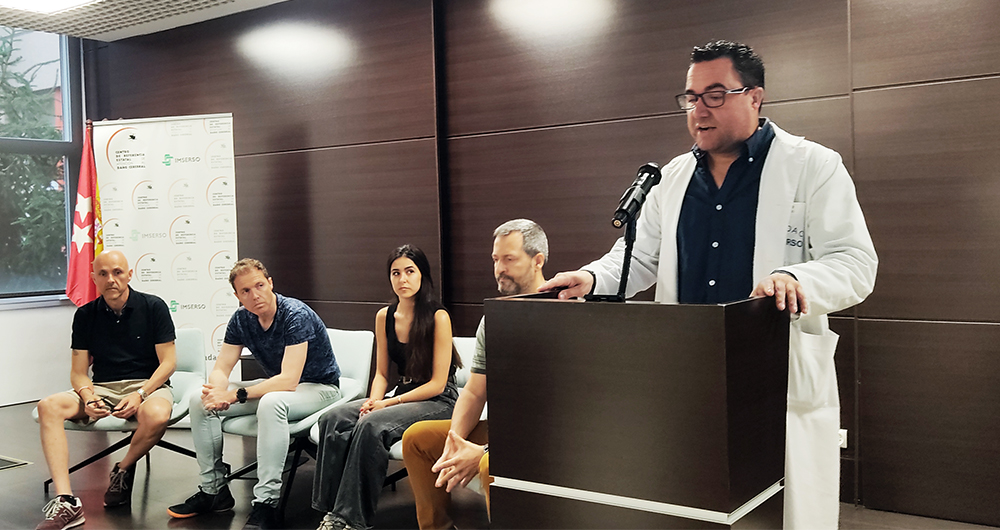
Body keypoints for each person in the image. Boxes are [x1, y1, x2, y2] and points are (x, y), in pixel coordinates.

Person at [540, 41, 878, 529]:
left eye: (715, 95)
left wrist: (795, 276)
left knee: (776, 513)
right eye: (691, 97)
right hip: (688, 378)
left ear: (755, 97)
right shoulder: (671, 179)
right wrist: (591, 278)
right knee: (692, 507)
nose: (698, 109)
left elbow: (854, 262)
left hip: (771, 377)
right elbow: (638, 258)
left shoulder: (813, 166)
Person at [168, 258, 342, 530]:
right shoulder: (242, 319)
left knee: (272, 402)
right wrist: (217, 391)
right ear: (237, 295)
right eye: (246, 291)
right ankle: (214, 490)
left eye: (259, 285)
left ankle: (266, 503)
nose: (255, 295)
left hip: (321, 388)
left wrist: (233, 395)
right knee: (199, 401)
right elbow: (222, 367)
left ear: (270, 283)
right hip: (280, 387)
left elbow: (289, 380)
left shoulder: (295, 314)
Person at [402, 219, 549, 529]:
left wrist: (485, 450)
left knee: (487, 464)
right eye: (495, 259)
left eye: (509, 259)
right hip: (501, 430)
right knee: (416, 439)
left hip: (545, 441)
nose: (499, 269)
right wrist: (455, 440)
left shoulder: (565, 314)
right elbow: (473, 391)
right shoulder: (492, 318)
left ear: (538, 261)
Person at [312, 245, 461, 530]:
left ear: (422, 275)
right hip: (401, 395)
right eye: (396, 273)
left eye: (410, 271)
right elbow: (381, 373)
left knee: (372, 425)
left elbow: (437, 384)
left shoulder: (438, 316)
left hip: (438, 399)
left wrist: (385, 405)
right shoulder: (384, 316)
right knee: (333, 418)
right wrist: (373, 401)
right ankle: (331, 512)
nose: (402, 279)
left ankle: (350, 520)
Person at [34, 250, 176, 530]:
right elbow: (78, 372)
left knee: (158, 415)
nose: (111, 279)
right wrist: (88, 397)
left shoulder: (153, 306)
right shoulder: (85, 315)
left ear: (129, 275)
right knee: (47, 406)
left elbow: (169, 363)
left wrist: (141, 394)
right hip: (102, 388)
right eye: (103, 274)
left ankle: (122, 468)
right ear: (93, 278)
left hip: (147, 385)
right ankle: (67, 502)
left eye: (117, 272)